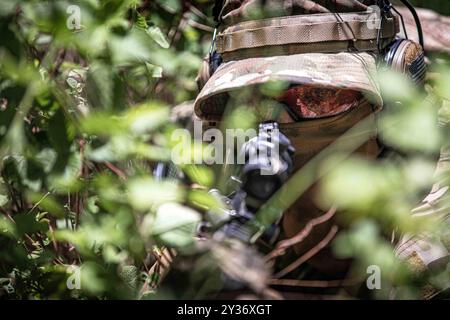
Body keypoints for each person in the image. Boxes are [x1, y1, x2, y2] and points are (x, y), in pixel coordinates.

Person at [188, 0, 449, 298]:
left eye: (317, 96)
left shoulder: (435, 200)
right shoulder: (197, 149)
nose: (277, 122)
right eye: (253, 99)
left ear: (388, 106)